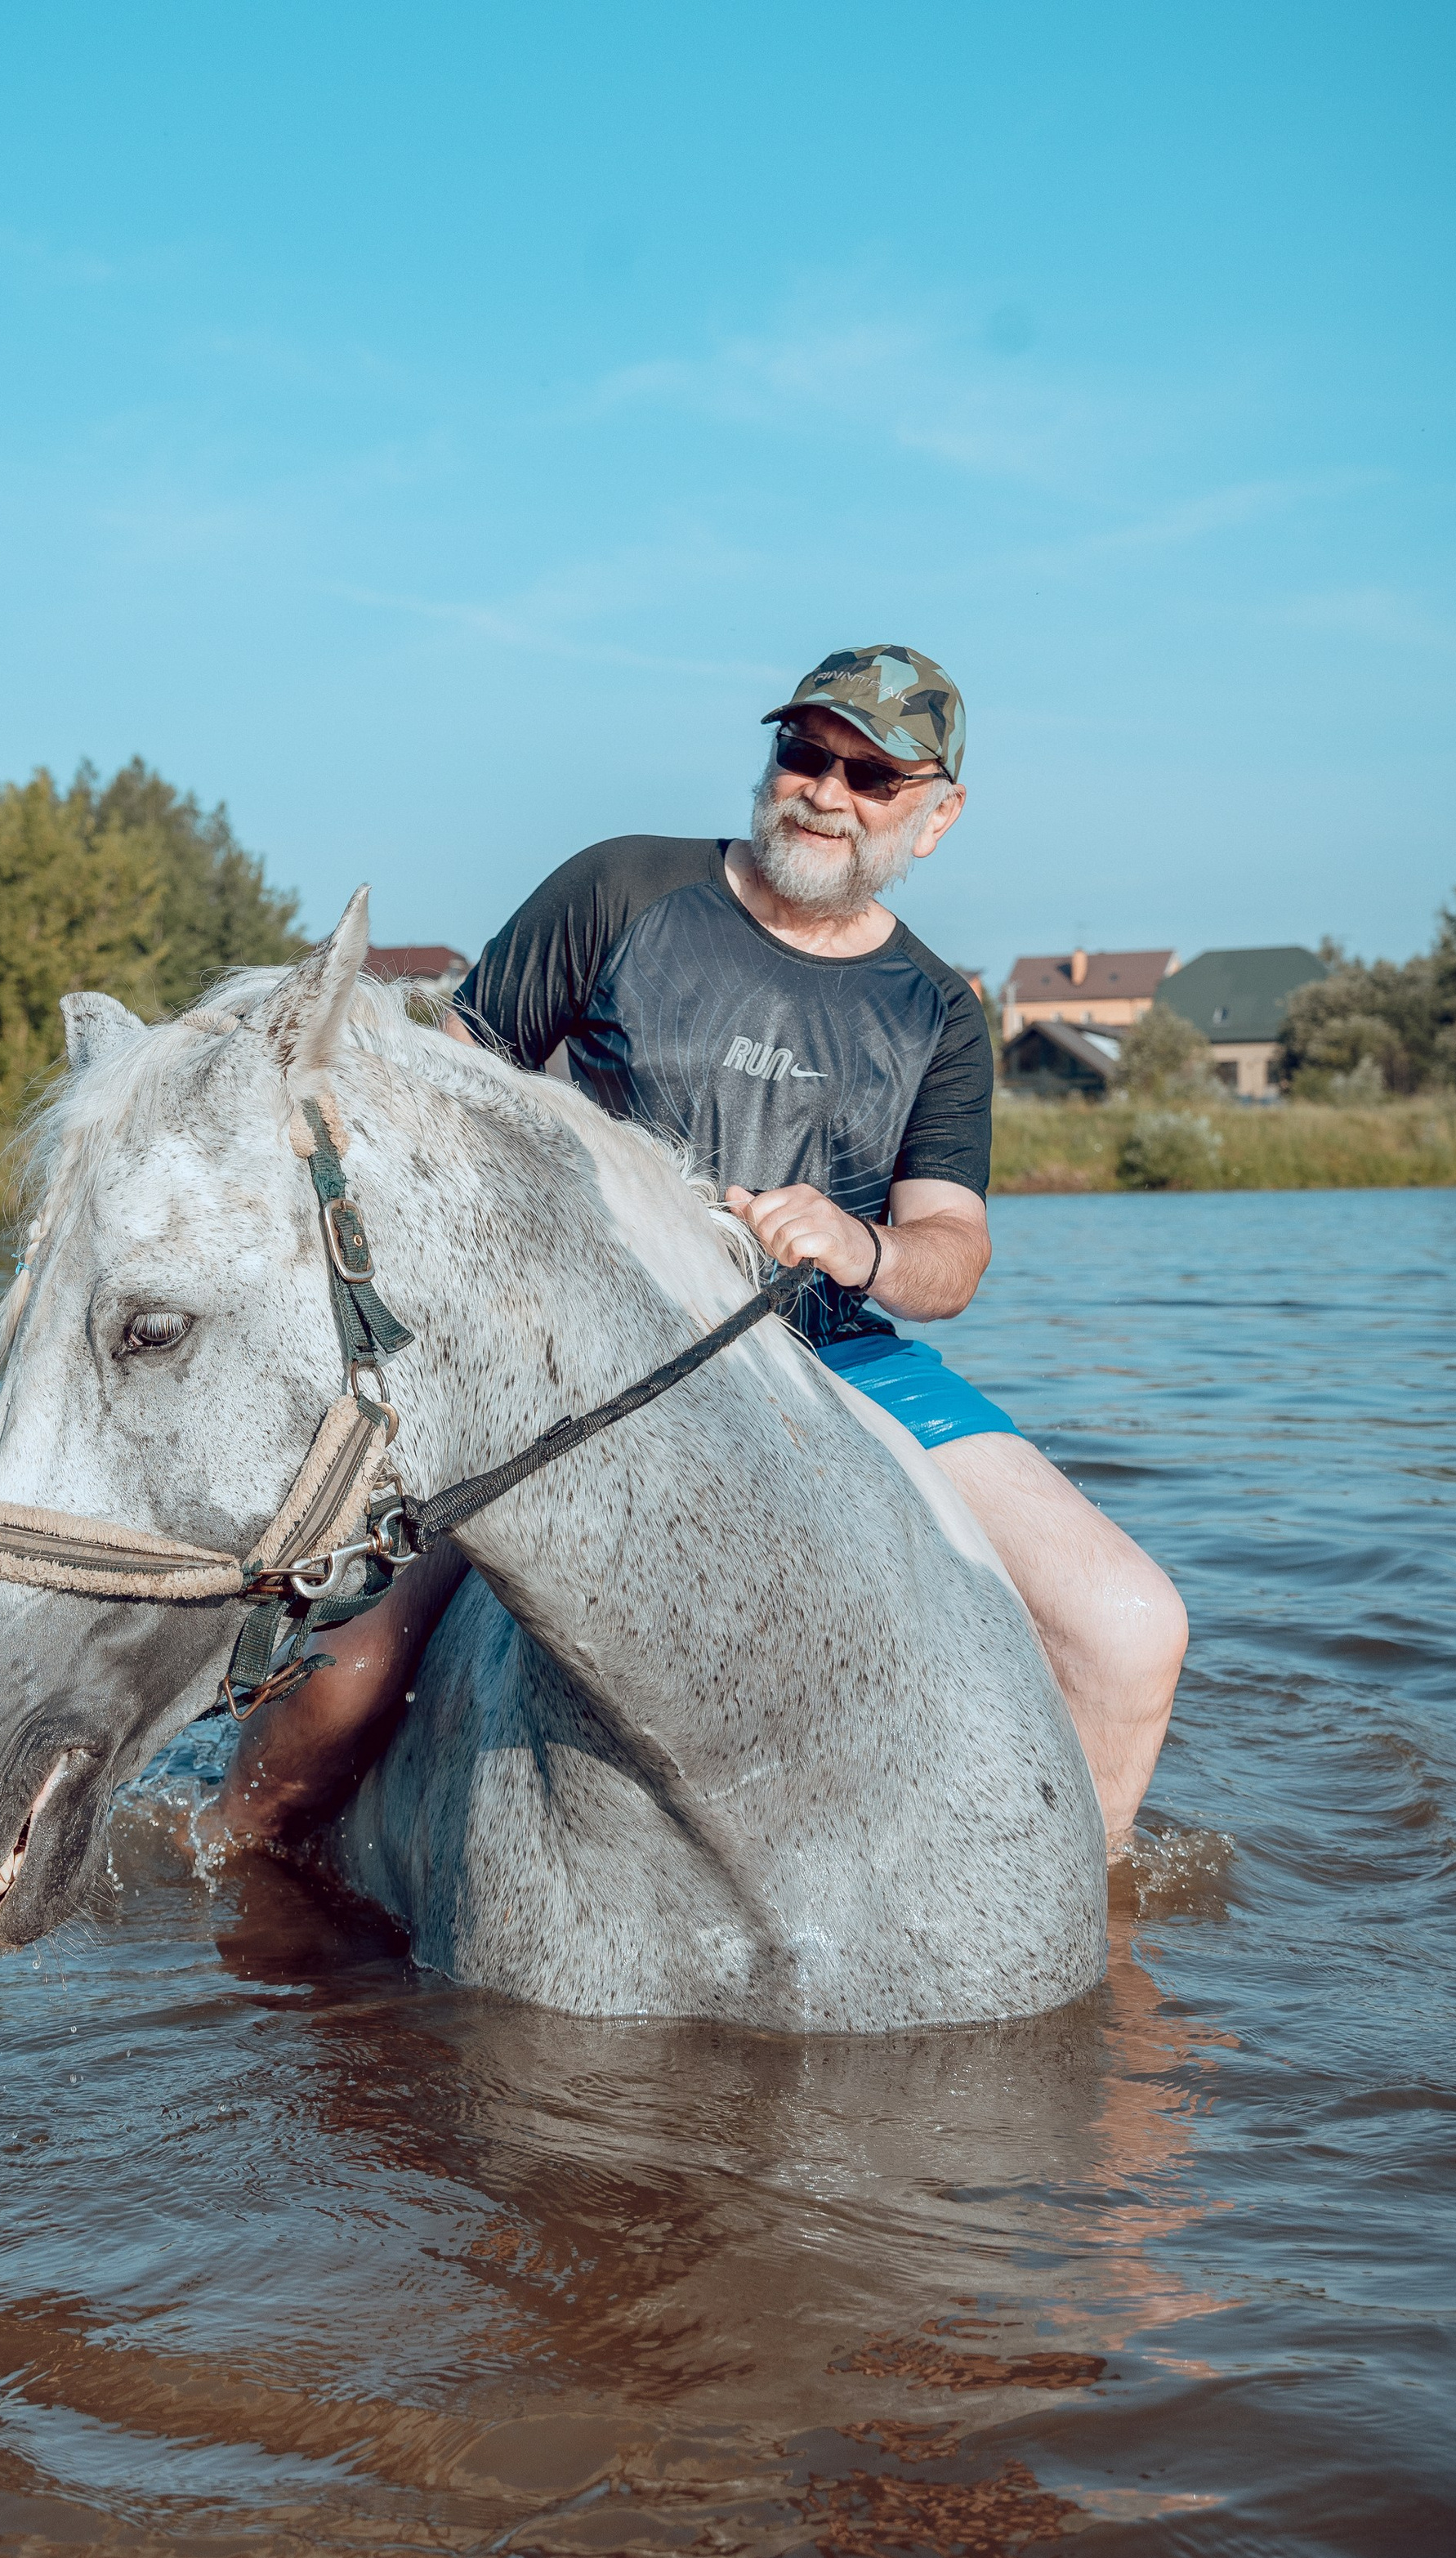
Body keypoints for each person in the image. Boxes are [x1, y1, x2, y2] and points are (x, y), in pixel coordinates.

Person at [215, 643, 1186, 1860]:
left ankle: (1066, 1918)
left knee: (1130, 1627)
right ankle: (236, 1868)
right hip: (567, 1356)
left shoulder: (938, 1010)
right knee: (354, 1665)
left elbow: (955, 1253)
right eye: (806, 753)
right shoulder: (621, 888)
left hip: (833, 1357)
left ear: (937, 816)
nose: (826, 792)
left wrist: (861, 1244)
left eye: (874, 776)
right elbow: (441, 1105)